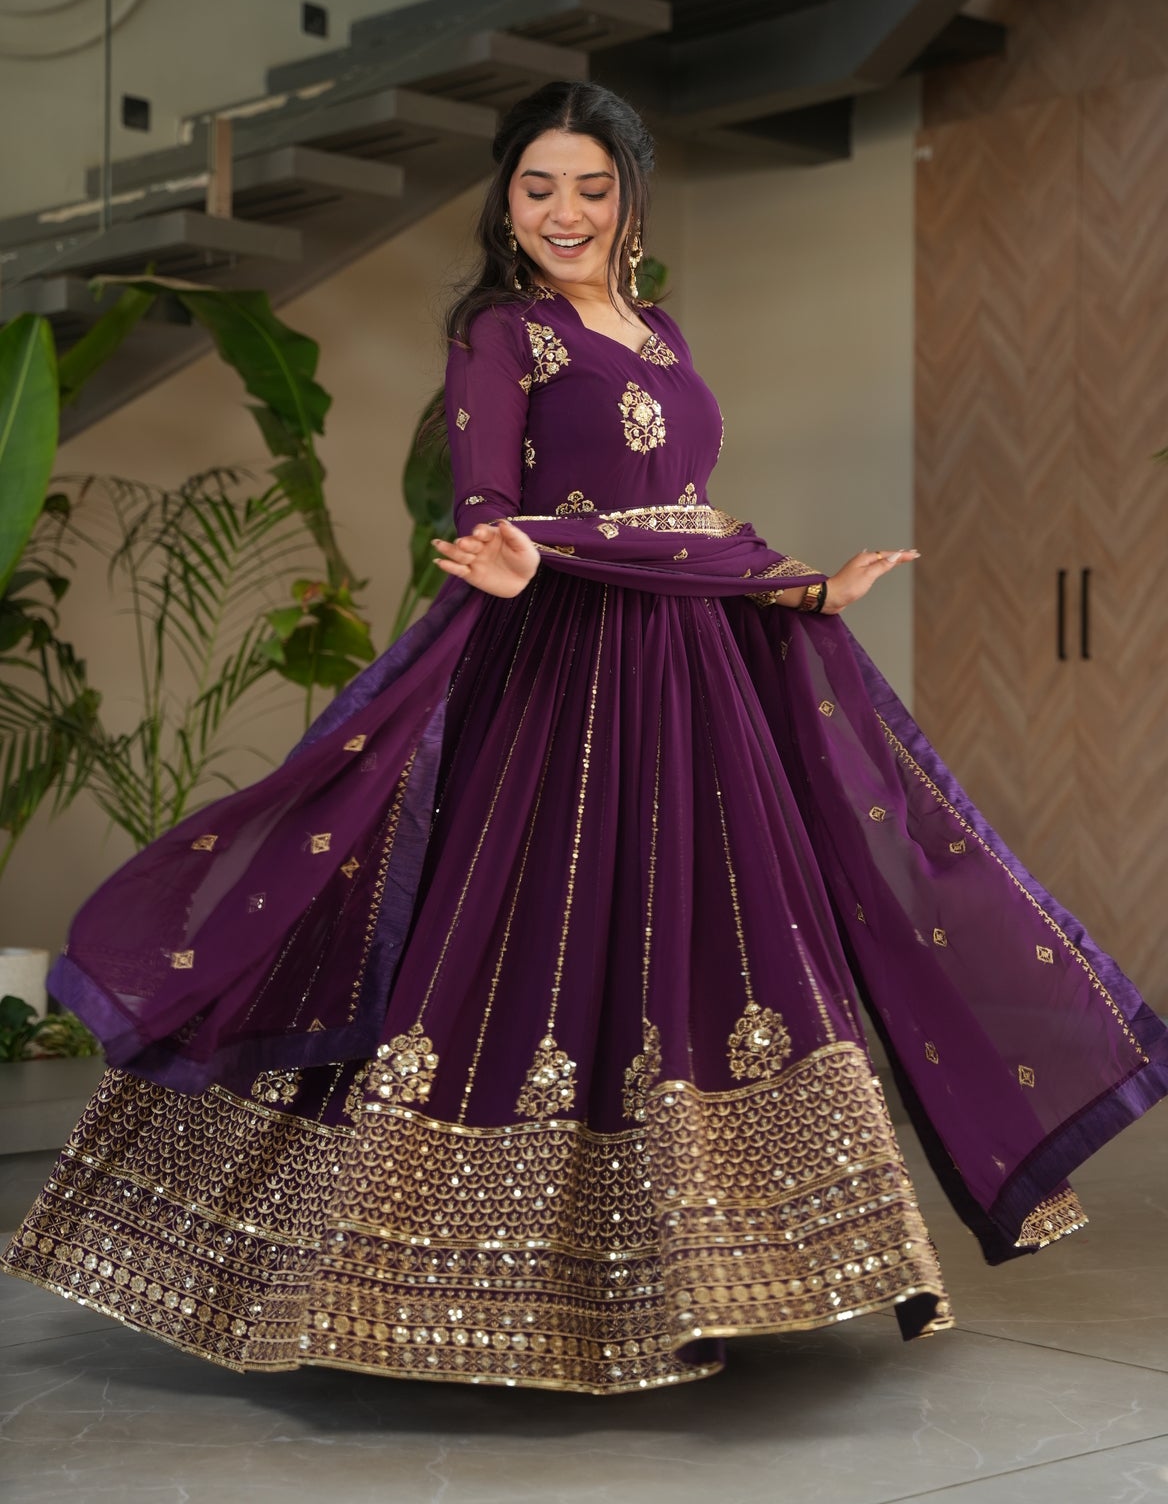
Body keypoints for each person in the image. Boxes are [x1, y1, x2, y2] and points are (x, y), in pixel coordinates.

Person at [4, 81, 1166, 1397]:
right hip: (560, 679)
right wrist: (512, 557)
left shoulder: (659, 334)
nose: (564, 212)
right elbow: (495, 500)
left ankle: (725, 1264)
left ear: (631, 200)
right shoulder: (505, 336)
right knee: (536, 946)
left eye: (591, 187)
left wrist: (796, 586)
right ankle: (450, 1272)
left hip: (693, 679)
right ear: (508, 202)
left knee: (709, 946)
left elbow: (689, 508)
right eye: (538, 187)